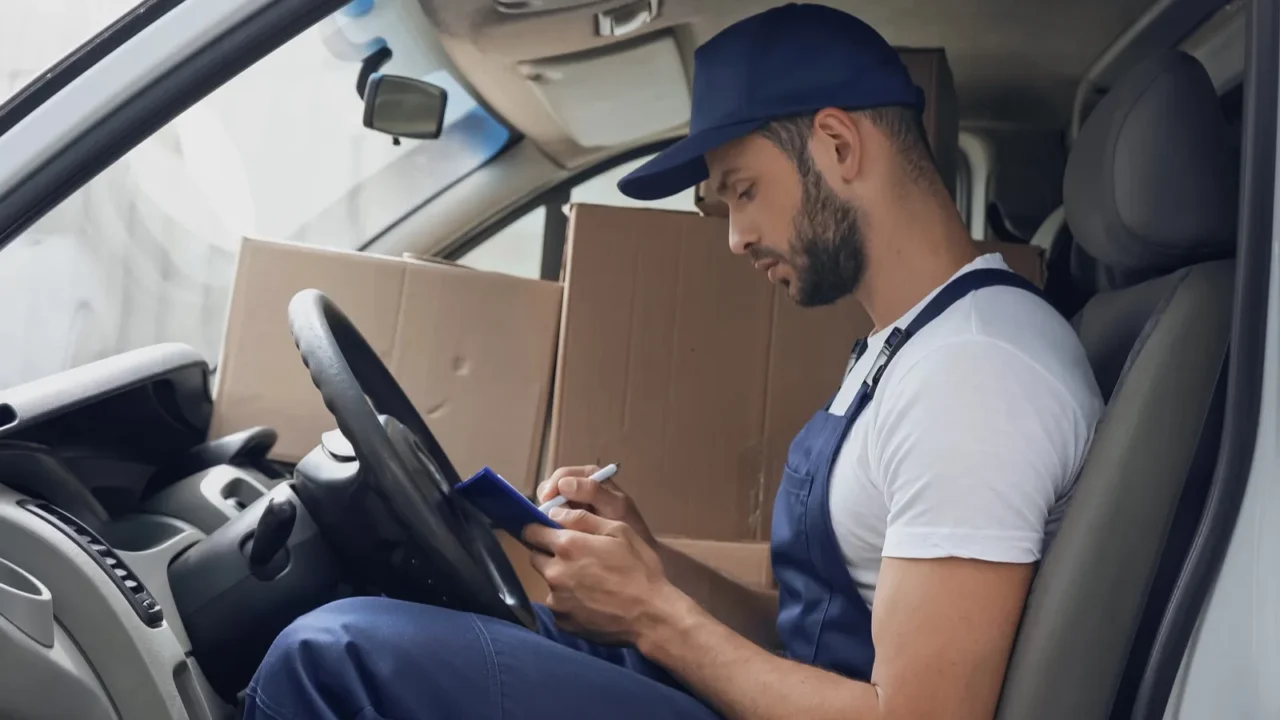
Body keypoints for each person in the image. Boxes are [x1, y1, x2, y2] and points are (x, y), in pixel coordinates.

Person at [243, 4, 1104, 719]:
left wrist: (655, 616)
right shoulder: (915, 347)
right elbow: (816, 624)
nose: (735, 238)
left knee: (334, 657)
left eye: (742, 191)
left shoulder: (977, 375)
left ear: (839, 147)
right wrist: (654, 566)